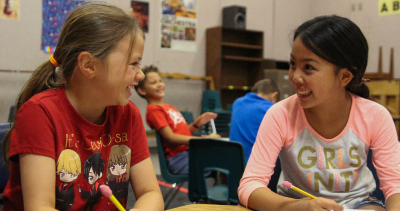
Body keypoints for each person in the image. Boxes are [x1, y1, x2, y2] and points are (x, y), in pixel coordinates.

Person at [1, 3, 163, 211]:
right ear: (88, 65)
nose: (140, 75)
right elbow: (40, 207)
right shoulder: (39, 113)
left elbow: (151, 193)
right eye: (133, 64)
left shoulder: (127, 113)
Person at [238, 15, 400, 211]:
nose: (295, 77)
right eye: (292, 64)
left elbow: (395, 187)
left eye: (308, 67)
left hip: (359, 205)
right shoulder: (280, 115)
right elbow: (249, 185)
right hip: (295, 203)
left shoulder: (375, 116)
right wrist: (298, 207)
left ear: (344, 76)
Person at [134, 65, 221, 175]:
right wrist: (205, 140)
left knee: (222, 158)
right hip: (178, 159)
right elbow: (171, 138)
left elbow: (183, 133)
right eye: (153, 82)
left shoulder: (168, 106)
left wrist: (197, 123)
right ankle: (204, 191)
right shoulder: (154, 110)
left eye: (160, 80)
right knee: (222, 162)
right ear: (142, 90)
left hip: (187, 153)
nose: (160, 84)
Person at [229, 78, 279, 163]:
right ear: (274, 96)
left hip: (234, 166)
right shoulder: (272, 109)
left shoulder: (237, 103)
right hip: (257, 168)